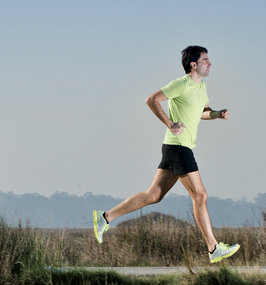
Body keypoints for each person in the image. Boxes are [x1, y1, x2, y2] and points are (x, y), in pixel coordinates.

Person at [93, 45, 240, 264]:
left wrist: (217, 114)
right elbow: (151, 100)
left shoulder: (202, 88)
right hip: (178, 146)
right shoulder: (181, 84)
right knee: (200, 196)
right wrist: (170, 124)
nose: (210, 63)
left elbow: (202, 113)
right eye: (205, 60)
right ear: (193, 64)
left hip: (177, 147)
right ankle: (213, 248)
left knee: (154, 195)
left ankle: (104, 217)